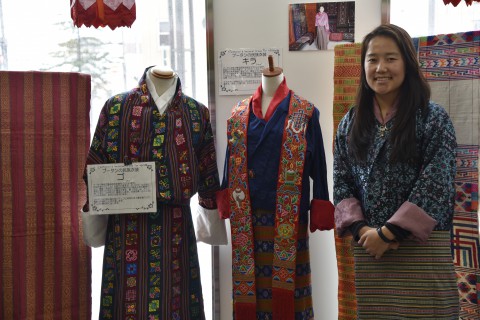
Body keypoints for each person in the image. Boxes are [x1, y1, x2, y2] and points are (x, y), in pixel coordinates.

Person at [333, 24, 459, 319]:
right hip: (371, 252)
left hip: (420, 252)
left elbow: (437, 182)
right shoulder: (350, 123)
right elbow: (341, 182)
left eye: (390, 58)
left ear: (407, 63)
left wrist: (389, 234)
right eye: (372, 59)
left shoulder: (433, 117)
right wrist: (362, 230)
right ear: (363, 65)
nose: (380, 68)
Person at [82, 65, 227, 319]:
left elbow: (208, 173)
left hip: (177, 231)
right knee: (126, 304)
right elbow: (95, 169)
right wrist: (95, 215)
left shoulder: (196, 112)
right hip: (126, 228)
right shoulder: (115, 107)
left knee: (178, 303)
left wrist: (209, 217)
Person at [217, 58, 335, 320]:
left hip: (289, 221)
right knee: (251, 293)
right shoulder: (238, 114)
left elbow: (319, 165)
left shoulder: (305, 112)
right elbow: (231, 161)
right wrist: (226, 194)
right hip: (246, 218)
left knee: (291, 294)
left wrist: (321, 200)